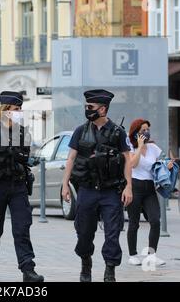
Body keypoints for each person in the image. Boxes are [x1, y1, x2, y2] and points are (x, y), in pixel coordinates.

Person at [61, 89, 133, 282]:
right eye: (86, 106)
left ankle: (110, 270)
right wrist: (65, 185)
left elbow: (127, 159)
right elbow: (71, 158)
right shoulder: (80, 131)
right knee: (84, 232)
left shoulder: (118, 132)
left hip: (111, 191)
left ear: (102, 109)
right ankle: (86, 263)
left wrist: (128, 187)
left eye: (90, 107)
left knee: (113, 232)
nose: (87, 110)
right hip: (87, 190)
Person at [0, 91, 44, 283]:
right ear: (6, 110)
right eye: (16, 109)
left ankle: (28, 270)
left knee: (22, 228)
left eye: (20, 109)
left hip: (17, 186)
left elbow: (25, 156)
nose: (19, 112)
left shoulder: (24, 133)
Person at [126, 118, 172, 267]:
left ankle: (152, 255)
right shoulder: (130, 148)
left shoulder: (153, 148)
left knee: (155, 220)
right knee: (134, 223)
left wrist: (168, 165)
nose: (146, 132)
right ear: (136, 133)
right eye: (143, 130)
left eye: (147, 129)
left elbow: (161, 163)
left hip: (150, 188)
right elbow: (133, 164)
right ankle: (132, 255)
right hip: (135, 186)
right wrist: (139, 147)